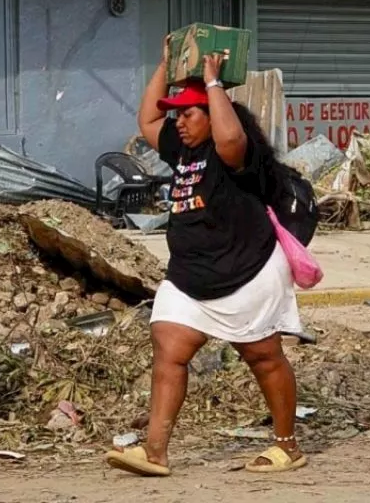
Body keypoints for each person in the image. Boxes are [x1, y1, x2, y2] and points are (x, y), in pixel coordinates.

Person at [106, 44, 305, 477]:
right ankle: (154, 451)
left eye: (189, 114)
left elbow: (230, 135)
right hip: (190, 276)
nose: (179, 122)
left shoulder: (235, 152)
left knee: (263, 356)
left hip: (246, 271)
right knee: (169, 348)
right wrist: (166, 64)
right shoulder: (183, 149)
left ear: (212, 114)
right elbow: (147, 121)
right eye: (178, 115)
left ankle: (287, 445)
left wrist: (214, 82)